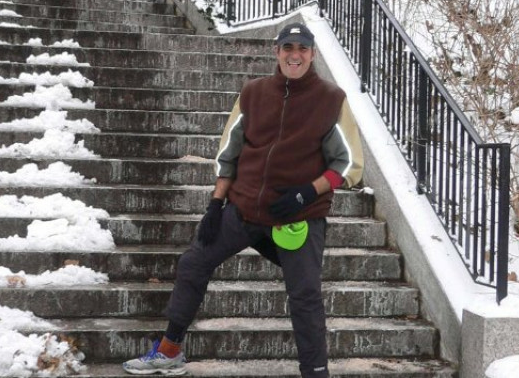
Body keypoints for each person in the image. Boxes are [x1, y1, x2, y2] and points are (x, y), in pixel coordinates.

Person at [122, 22, 364, 377]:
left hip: (297, 217)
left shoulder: (331, 99)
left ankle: (315, 373)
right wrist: (215, 205)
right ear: (276, 51)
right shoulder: (253, 93)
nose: (294, 55)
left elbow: (349, 163)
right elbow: (229, 153)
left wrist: (308, 191)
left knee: (305, 295)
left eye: (302, 49)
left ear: (312, 54)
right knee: (193, 263)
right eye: (288, 48)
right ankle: (169, 351)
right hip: (245, 210)